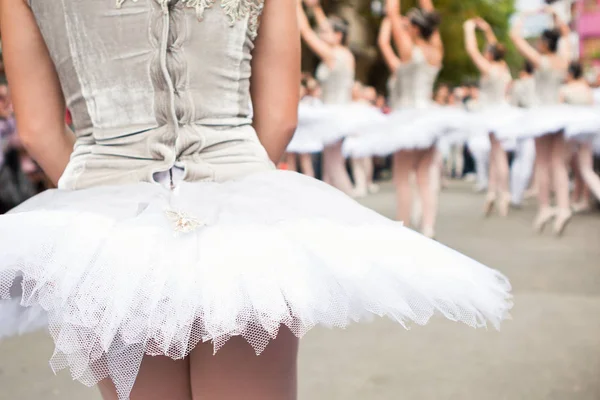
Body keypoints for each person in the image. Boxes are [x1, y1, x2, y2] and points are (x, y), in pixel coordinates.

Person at [0, 1, 511, 399]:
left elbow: (40, 131)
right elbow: (280, 117)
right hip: (237, 197)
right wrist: (240, 190)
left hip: (103, 211)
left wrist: (105, 199)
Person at [510, 6, 573, 235]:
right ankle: (564, 207)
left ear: (546, 44)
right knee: (558, 163)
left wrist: (525, 15)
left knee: (543, 162)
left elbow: (515, 37)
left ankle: (545, 207)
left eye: (539, 41)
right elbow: (565, 35)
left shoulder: (541, 61)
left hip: (542, 114)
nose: (537, 44)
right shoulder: (564, 59)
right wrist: (555, 15)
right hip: (559, 113)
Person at [297, 0, 355, 195]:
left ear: (338, 36)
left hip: (333, 113)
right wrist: (316, 8)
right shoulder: (344, 53)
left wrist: (294, 5)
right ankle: (340, 211)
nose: (321, 35)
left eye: (326, 32)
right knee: (333, 164)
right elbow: (324, 27)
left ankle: (353, 210)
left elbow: (305, 31)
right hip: (340, 111)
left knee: (333, 165)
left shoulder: (332, 54)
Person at [464, 17, 512, 217]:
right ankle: (493, 192)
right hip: (502, 111)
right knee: (495, 153)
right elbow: (494, 47)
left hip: (492, 113)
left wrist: (468, 30)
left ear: (490, 55)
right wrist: (487, 29)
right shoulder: (505, 68)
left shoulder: (489, 68)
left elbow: (472, 51)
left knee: (498, 154)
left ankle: (504, 193)